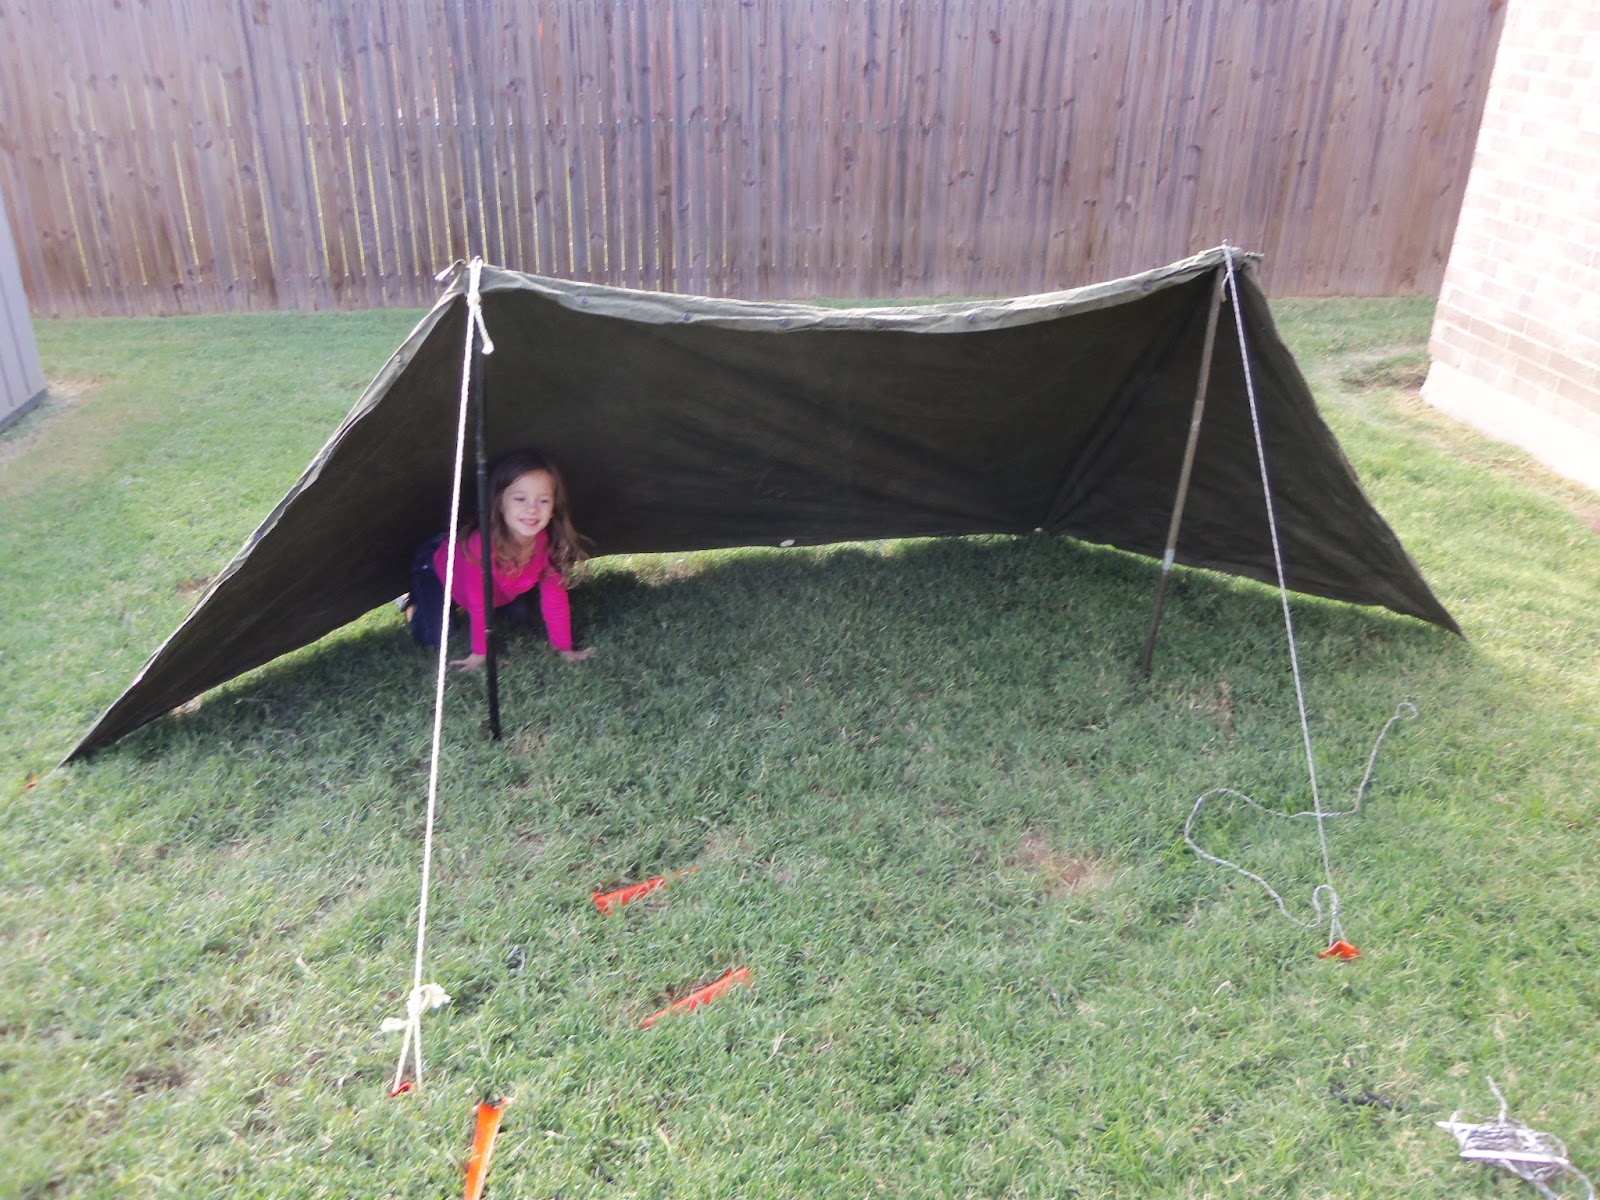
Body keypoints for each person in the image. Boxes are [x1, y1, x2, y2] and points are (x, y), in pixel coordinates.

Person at [404, 449, 594, 671]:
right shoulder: (481, 545)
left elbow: (555, 599)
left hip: (485, 586)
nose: (532, 509)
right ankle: (411, 604)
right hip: (437, 568)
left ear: (553, 508)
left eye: (543, 500)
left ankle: (462, 599)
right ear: (500, 503)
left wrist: (565, 649)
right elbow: (479, 602)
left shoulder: (549, 543)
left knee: (518, 614)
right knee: (436, 636)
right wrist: (480, 654)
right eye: (520, 499)